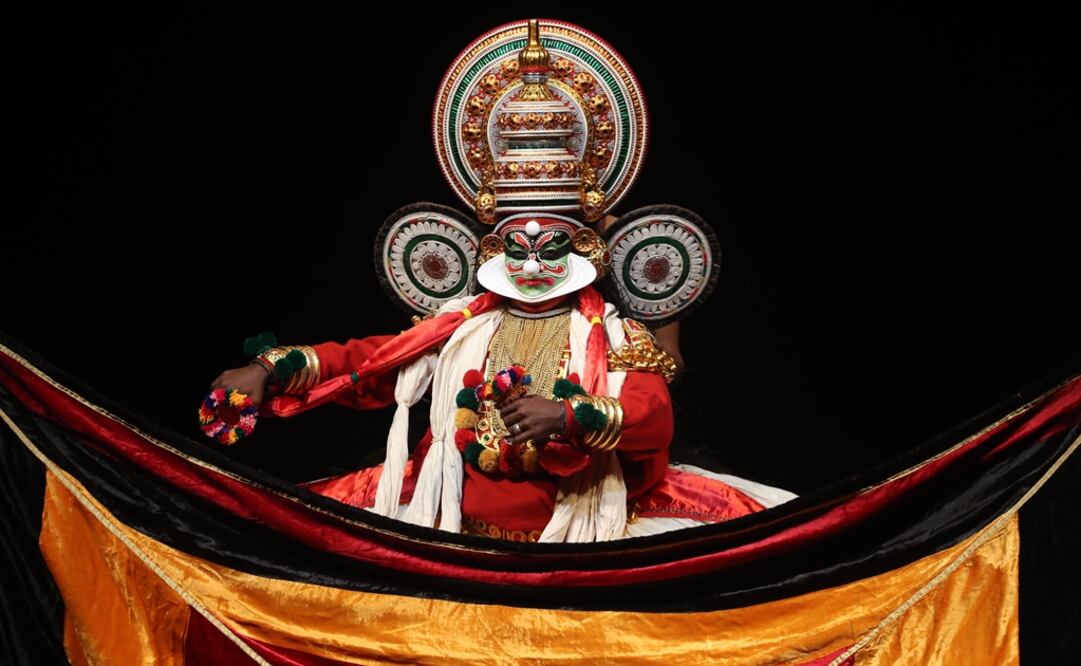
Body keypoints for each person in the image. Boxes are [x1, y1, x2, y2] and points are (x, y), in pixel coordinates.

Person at [211, 19, 794, 543]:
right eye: (518, 246)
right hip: (454, 530)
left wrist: (569, 418)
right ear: (492, 247)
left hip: (583, 536)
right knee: (265, 535)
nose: (533, 265)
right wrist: (269, 367)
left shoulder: (612, 334)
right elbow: (368, 364)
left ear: (584, 246)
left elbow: (652, 415)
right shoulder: (463, 326)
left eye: (552, 246)